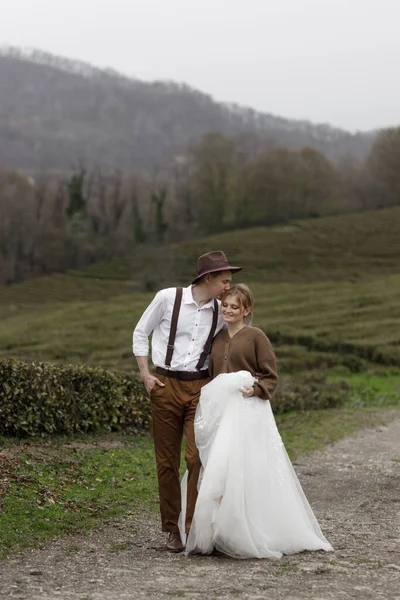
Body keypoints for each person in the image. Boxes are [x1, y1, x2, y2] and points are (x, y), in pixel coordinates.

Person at [181, 283, 333, 559]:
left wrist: (256, 389)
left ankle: (247, 530)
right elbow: (212, 375)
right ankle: (217, 533)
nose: (228, 310)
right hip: (221, 414)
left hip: (247, 412)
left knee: (244, 469)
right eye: (225, 305)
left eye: (234, 307)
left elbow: (270, 374)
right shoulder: (216, 338)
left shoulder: (256, 337)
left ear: (246, 310)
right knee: (219, 471)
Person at [132, 251, 242, 552]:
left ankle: (193, 526)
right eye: (225, 280)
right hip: (165, 384)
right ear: (208, 278)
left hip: (199, 388)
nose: (228, 286)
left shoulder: (222, 310)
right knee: (166, 461)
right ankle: (172, 529)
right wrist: (145, 374)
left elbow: (235, 340)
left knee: (195, 457)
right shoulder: (168, 298)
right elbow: (141, 332)